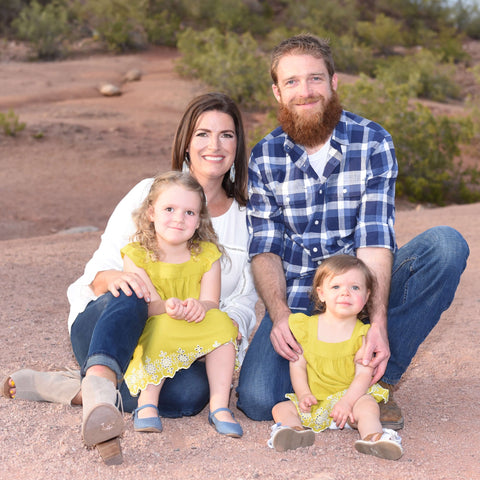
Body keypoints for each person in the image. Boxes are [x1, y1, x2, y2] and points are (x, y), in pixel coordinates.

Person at [3, 93, 257, 464]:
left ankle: (81, 388)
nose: (214, 146)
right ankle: (103, 381)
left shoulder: (244, 218)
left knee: (188, 397)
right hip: (113, 322)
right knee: (132, 288)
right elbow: (99, 270)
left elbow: (243, 301)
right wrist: (114, 278)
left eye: (227, 135)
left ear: (238, 145)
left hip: (179, 340)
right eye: (203, 134)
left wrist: (217, 326)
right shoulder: (147, 193)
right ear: (186, 142)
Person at [236, 34, 469, 429]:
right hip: (298, 300)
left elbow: (375, 237)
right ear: (277, 91)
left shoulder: (373, 140)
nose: (305, 91)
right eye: (292, 82)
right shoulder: (264, 155)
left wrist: (376, 324)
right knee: (258, 401)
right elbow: (265, 248)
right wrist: (279, 318)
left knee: (446, 246)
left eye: (314, 79)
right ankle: (331, 382)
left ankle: (378, 380)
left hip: (360, 293)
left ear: (333, 82)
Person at [122, 171, 242, 437]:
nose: (178, 218)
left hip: (195, 322)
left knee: (223, 323)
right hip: (158, 323)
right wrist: (169, 307)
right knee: (163, 325)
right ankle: (147, 403)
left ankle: (219, 405)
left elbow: (211, 301)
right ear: (151, 212)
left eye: (189, 212)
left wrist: (201, 307)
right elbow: (149, 306)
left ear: (199, 220)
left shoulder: (207, 255)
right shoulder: (137, 255)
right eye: (169, 209)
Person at [268, 255, 403, 461]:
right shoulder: (305, 327)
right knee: (280, 407)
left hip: (350, 402)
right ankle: (293, 431)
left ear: (367, 297)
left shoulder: (364, 335)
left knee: (368, 406)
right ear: (321, 294)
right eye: (336, 287)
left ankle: (373, 437)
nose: (345, 293)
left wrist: (347, 402)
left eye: (355, 288)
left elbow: (362, 376)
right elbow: (298, 366)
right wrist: (304, 394)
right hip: (316, 401)